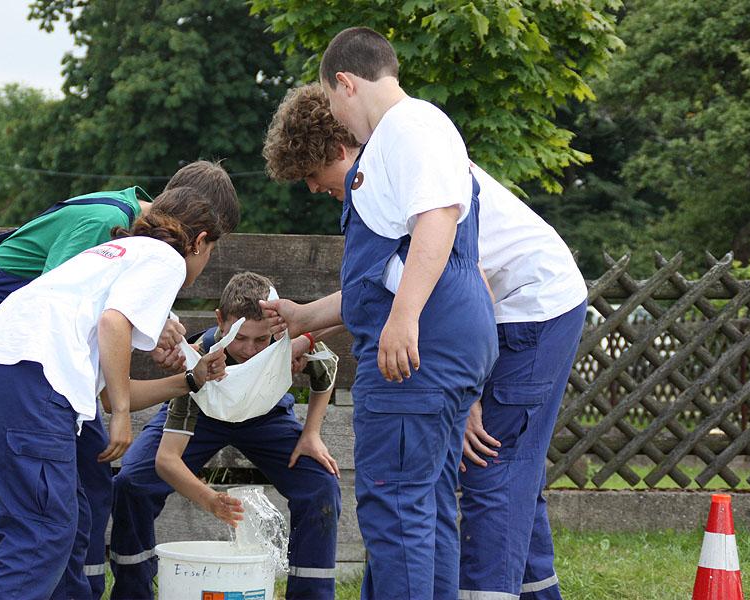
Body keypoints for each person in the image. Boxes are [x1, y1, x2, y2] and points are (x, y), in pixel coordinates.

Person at [264, 83, 588, 599]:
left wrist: (471, 392)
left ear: (340, 150)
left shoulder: (399, 166)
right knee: (499, 469)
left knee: (492, 469)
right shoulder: (393, 169)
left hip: (533, 307)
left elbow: (463, 274)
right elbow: (385, 282)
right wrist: (304, 320)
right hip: (487, 319)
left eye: (312, 174)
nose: (312, 188)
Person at [261, 27, 499, 600]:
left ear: (346, 83)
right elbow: (385, 272)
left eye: (333, 99)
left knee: (396, 510)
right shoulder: (400, 138)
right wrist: (307, 318)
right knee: (425, 504)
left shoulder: (409, 126)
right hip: (441, 336)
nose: (341, 123)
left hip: (419, 348)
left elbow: (438, 218)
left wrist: (405, 317)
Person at [0, 160, 239, 599]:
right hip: (33, 373)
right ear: (200, 241)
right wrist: (124, 415)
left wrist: (190, 378)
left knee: (54, 520)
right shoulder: (166, 259)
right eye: (212, 251)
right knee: (42, 532)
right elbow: (113, 325)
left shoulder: (116, 252)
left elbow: (105, 388)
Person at [109, 271, 341, 600]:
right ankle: (132, 593)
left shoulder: (288, 340)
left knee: (322, 484)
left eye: (261, 340)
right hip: (204, 414)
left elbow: (326, 367)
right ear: (220, 321)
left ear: (275, 326)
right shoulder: (200, 360)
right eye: (240, 337)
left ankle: (312, 594)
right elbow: (166, 460)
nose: (249, 349)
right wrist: (209, 499)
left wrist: (312, 432)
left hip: (265, 417)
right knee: (132, 482)